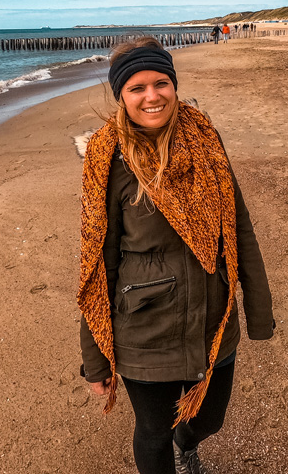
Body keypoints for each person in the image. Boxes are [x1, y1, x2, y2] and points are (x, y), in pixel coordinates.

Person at [78, 36, 274, 474]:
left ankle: (189, 443)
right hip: (145, 329)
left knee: (209, 418)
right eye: (137, 87)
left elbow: (237, 228)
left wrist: (259, 311)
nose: (152, 96)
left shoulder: (206, 138)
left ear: (174, 84)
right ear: (121, 95)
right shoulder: (106, 158)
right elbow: (97, 263)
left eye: (160, 83)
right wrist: (96, 359)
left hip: (213, 318)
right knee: (153, 432)